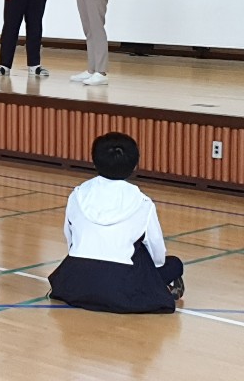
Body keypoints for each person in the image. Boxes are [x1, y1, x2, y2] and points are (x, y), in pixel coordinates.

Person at [48, 132, 184, 313]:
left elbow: (71, 238)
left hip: (76, 281)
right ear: (134, 165)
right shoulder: (142, 202)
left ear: (94, 162)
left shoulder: (77, 194)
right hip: (123, 287)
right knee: (174, 264)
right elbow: (157, 253)